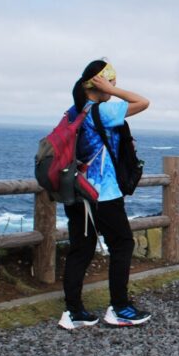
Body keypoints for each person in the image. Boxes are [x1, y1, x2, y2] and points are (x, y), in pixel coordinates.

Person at [58, 59, 151, 330]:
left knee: (81, 250)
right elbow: (143, 102)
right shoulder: (102, 111)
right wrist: (113, 90)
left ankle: (74, 313)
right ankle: (120, 308)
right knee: (122, 244)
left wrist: (107, 87)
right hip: (103, 194)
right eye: (109, 81)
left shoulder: (72, 112)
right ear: (96, 83)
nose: (113, 86)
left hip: (77, 191)